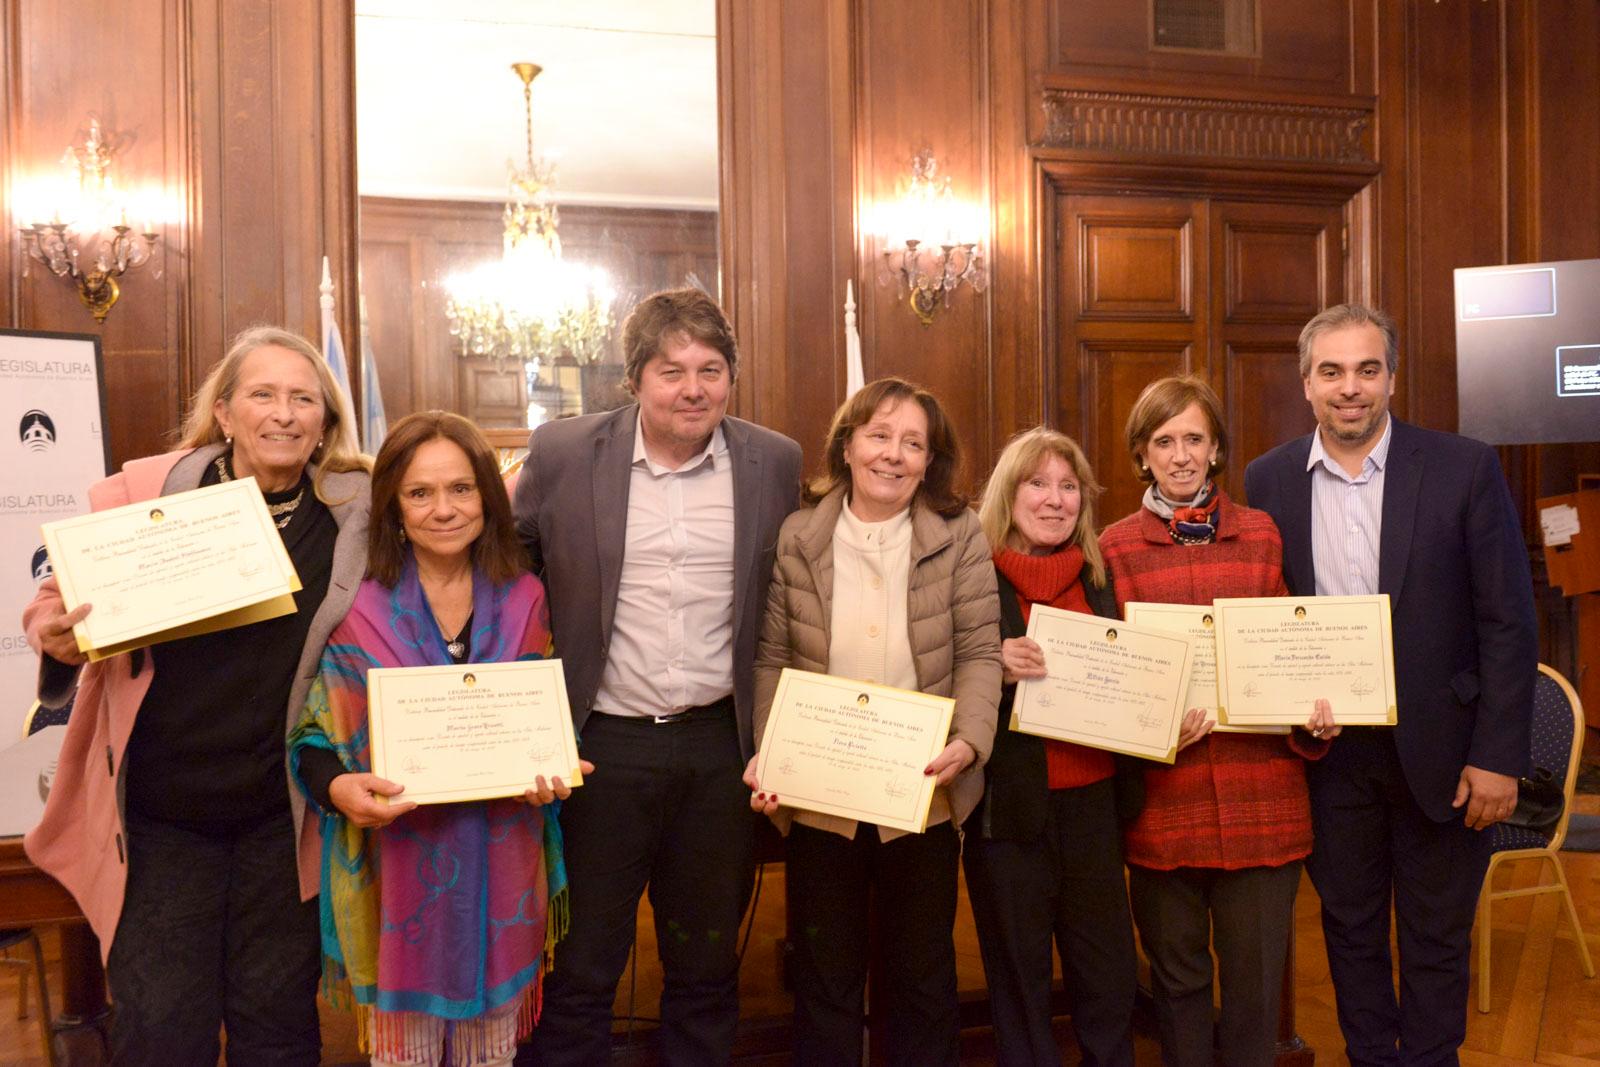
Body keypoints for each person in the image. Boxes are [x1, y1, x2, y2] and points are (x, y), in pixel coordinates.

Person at [23, 325, 371, 1064]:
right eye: (264, 394)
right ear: (225, 412)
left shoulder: (357, 517)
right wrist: (54, 630)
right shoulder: (148, 493)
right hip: (162, 819)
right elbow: (57, 598)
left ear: (325, 418)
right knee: (160, 1027)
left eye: (303, 397)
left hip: (284, 821)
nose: (284, 413)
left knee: (277, 1024)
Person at [511, 288, 803, 1065]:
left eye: (711, 369)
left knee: (706, 970)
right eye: (672, 370)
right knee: (581, 967)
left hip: (718, 748)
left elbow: (798, 597)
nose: (693, 387)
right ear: (636, 377)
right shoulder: (564, 453)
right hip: (599, 748)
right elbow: (504, 571)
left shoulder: (774, 461)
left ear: (731, 378)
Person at [1244, 304, 1538, 1066]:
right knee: (1350, 931)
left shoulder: (1462, 467)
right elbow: (1265, 620)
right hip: (1330, 757)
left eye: (1367, 369)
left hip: (1446, 758)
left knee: (1437, 939)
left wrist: (1498, 756)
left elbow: (1508, 621)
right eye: (1332, 371)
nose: (1351, 388)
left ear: (1392, 378)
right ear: (1306, 383)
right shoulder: (1267, 479)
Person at [290, 411, 576, 1067]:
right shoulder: (355, 605)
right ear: (391, 502)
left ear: (487, 497)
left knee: (490, 1058)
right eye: (420, 492)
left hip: (505, 860)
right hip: (396, 869)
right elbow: (311, 732)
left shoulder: (526, 596)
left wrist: (554, 768)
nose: (443, 508)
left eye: (461, 488)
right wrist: (338, 786)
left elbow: (542, 724)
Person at [747, 377, 1002, 1066]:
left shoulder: (961, 534)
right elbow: (773, 658)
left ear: (930, 458)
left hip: (922, 788)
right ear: (848, 443)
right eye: (880, 435)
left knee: (921, 977)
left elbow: (981, 652)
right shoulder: (800, 535)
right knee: (825, 975)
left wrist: (969, 741)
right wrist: (772, 753)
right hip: (821, 794)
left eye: (912, 442)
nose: (894, 454)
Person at [1098, 375, 1337, 1067]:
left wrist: (1313, 719)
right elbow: (1106, 682)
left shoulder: (1262, 534)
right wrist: (1148, 730)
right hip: (1164, 809)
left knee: (1257, 993)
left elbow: (1294, 655)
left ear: (1216, 448)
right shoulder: (1113, 547)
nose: (1180, 456)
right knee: (1177, 987)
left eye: (1194, 439)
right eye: (1163, 441)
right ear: (1142, 453)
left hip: (1263, 804)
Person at [963, 427, 1137, 1067]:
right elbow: (931, 671)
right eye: (1037, 483)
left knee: (1109, 977)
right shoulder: (972, 578)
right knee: (1019, 981)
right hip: (1007, 815)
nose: (1054, 499)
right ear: (1008, 496)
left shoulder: (1104, 578)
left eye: (1068, 486)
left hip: (1095, 807)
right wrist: (989, 662)